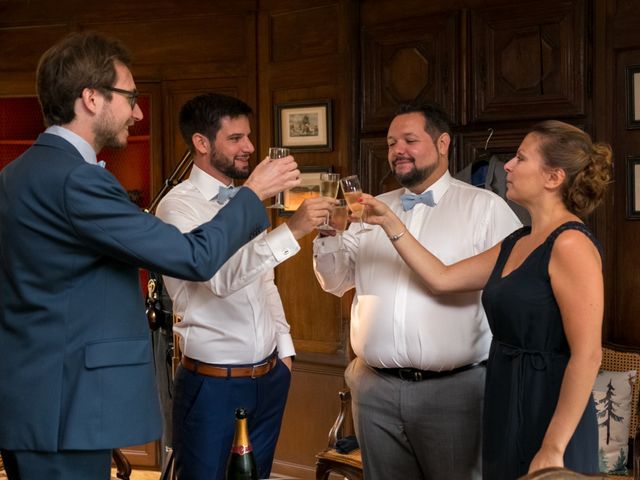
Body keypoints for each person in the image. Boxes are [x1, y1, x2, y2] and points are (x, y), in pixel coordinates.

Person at [0, 31, 300, 480]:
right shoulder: (77, 180)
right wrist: (253, 194)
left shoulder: (17, 173)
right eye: (130, 97)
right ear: (92, 99)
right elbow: (195, 258)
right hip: (66, 411)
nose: (138, 112)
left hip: (37, 402)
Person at [357, 120, 612, 479]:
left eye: (521, 159)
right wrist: (389, 222)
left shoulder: (571, 244)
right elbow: (441, 278)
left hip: (550, 406)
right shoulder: (518, 241)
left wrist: (553, 447)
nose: (506, 165)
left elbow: (587, 355)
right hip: (503, 397)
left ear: (553, 178)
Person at [313, 102, 522, 480]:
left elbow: (513, 292)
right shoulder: (370, 209)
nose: (398, 150)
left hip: (454, 391)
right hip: (374, 389)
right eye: (392, 142)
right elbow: (335, 281)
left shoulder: (485, 208)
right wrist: (328, 235)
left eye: (410, 139)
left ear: (443, 143)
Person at [155, 93, 333, 480]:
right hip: (212, 385)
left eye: (248, 137)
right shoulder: (177, 207)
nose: (250, 147)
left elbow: (264, 283)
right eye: (236, 138)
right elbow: (219, 279)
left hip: (268, 379)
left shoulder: (244, 201)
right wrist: (295, 228)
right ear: (202, 143)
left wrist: (283, 353)